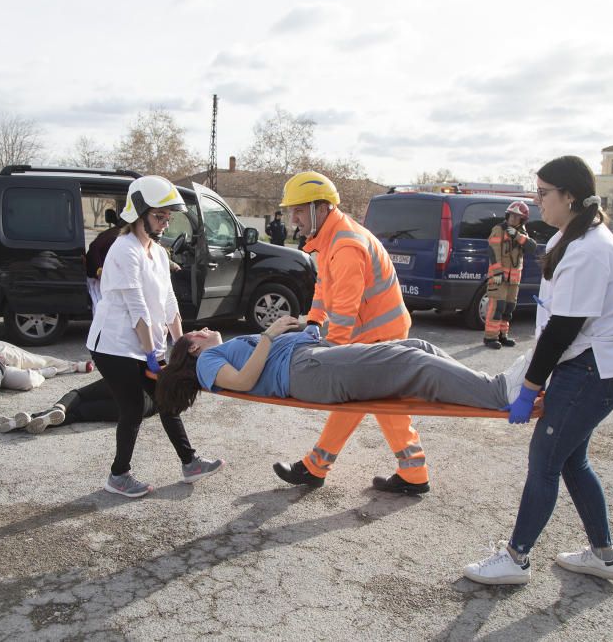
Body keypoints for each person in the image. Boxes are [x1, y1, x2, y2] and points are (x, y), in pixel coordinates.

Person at [463, 155, 613, 586]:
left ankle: (515, 558)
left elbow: (562, 332)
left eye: (544, 193)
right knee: (571, 459)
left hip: (596, 367)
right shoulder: (573, 237)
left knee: (545, 458)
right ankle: (604, 554)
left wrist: (529, 387)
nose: (538, 200)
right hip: (594, 363)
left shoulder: (589, 250)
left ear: (570, 196)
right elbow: (555, 325)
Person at [274, 170, 425, 496]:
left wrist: (331, 356)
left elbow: (343, 309)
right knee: (378, 404)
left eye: (298, 209)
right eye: (292, 210)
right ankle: (413, 472)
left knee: (363, 401)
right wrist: (314, 320)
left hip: (379, 335)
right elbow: (324, 287)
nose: (293, 217)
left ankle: (316, 467)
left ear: (321, 208)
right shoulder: (332, 240)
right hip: (375, 333)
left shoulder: (345, 246)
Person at [87, 175, 223, 498]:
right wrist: (154, 355)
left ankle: (190, 463)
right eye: (159, 216)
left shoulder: (158, 254)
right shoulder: (124, 250)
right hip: (113, 346)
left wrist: (182, 342)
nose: (164, 223)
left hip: (143, 344)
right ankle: (118, 476)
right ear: (139, 212)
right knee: (134, 408)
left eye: (167, 218)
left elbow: (168, 303)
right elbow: (138, 312)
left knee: (166, 398)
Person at [154, 315, 530, 428]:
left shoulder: (213, 352)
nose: (204, 330)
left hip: (312, 359)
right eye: (196, 334)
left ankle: (490, 387)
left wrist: (306, 329)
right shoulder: (206, 361)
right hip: (307, 372)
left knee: (417, 348)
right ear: (192, 348)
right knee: (412, 364)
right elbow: (244, 382)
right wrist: (268, 336)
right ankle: (498, 391)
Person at [0, 378, 156, 434]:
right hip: (137, 408)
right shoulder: (178, 392)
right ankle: (38, 420)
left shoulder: (164, 368)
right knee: (79, 414)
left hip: (132, 384)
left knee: (80, 394)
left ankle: (53, 410)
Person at [483, 201, 537, 349]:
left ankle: (502, 335)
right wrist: (497, 272)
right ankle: (490, 337)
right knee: (497, 306)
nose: (513, 219)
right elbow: (493, 252)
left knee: (508, 308)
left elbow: (532, 247)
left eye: (517, 216)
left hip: (513, 279)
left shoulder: (522, 233)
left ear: (522, 219)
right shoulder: (499, 229)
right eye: (511, 215)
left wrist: (518, 236)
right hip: (499, 277)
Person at [86, 208, 122, 314]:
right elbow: (94, 248)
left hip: (106, 275)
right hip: (96, 275)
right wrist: (99, 270)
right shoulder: (115, 234)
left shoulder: (118, 234)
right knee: (101, 304)